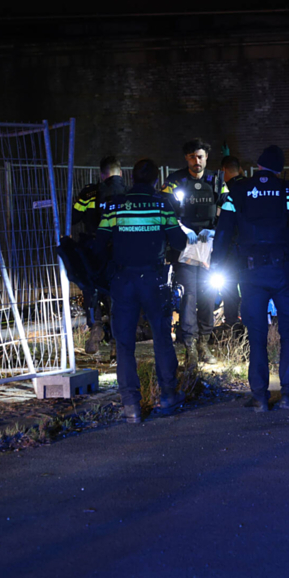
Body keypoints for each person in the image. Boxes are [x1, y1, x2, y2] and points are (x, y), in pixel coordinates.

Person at [213, 145, 289, 411]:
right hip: (282, 272)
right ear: (279, 169)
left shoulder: (236, 191)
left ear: (257, 167)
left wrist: (215, 264)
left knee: (256, 333)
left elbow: (223, 232)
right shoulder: (288, 189)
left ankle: (259, 397)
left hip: (250, 273)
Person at [92, 159, 188, 424]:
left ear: (132, 178)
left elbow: (98, 244)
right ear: (156, 181)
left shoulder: (115, 206)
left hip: (123, 280)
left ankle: (131, 406)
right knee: (161, 337)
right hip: (154, 279)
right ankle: (168, 395)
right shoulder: (162, 204)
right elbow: (180, 241)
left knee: (124, 344)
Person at [162, 138, 226, 365]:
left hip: (208, 249)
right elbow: (164, 209)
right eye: (191, 157)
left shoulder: (217, 181)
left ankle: (204, 343)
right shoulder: (174, 181)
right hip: (185, 249)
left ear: (206, 158)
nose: (196, 161)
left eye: (200, 156)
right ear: (186, 158)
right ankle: (190, 347)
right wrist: (181, 228)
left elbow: (228, 209)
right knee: (188, 296)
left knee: (209, 294)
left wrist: (214, 231)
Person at [73, 156, 126, 355]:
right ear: (120, 173)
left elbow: (74, 217)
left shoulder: (89, 193)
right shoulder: (127, 193)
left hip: (93, 249)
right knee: (116, 292)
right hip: (118, 250)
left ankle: (95, 327)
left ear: (102, 174)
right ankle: (115, 340)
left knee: (91, 288)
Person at [218, 155, 246, 329]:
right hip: (252, 247)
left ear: (223, 171)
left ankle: (231, 323)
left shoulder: (231, 191)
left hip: (233, 248)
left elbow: (225, 225)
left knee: (229, 288)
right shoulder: (252, 187)